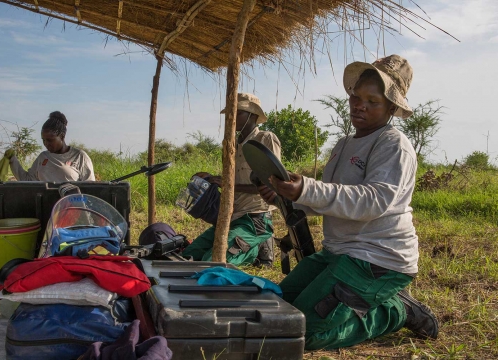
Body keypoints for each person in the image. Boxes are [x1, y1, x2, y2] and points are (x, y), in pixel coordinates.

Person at [258, 55, 438, 349]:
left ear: (391, 107)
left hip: (377, 260)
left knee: (298, 335)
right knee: (278, 308)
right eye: (356, 96)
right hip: (337, 253)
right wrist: (290, 197)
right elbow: (333, 196)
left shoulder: (393, 145)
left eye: (372, 100)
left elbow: (373, 201)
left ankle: (395, 312)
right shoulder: (343, 144)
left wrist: (307, 189)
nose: (360, 105)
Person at [182, 93, 281, 266]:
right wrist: (212, 178)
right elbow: (231, 179)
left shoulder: (264, 139)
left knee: (213, 262)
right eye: (230, 114)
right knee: (188, 255)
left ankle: (254, 251)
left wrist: (228, 185)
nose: (232, 118)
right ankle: (251, 249)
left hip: (255, 218)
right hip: (233, 217)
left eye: (237, 113)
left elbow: (271, 184)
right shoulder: (232, 144)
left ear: (252, 115)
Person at [8, 111, 95, 182]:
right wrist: (12, 160)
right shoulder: (43, 157)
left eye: (50, 140)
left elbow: (89, 188)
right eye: (43, 140)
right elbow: (27, 180)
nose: (45, 144)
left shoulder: (79, 157)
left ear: (62, 136)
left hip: (70, 203)